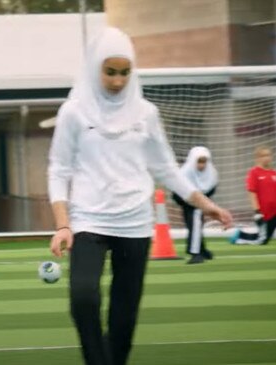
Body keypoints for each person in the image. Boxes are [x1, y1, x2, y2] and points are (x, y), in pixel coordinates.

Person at [47, 27, 233, 365]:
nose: (117, 81)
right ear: (94, 68)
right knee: (83, 299)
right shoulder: (73, 112)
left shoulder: (145, 113)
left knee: (124, 315)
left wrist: (206, 205)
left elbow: (166, 169)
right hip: (89, 220)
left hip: (136, 225)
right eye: (110, 72)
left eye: (124, 72)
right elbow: (58, 169)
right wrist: (63, 225)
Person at [173, 146, 219, 264]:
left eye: (204, 162)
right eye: (199, 162)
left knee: (196, 225)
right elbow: (177, 191)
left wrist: (203, 202)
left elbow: (211, 189)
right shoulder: (185, 172)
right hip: (187, 203)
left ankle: (198, 251)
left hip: (201, 204)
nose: (202, 165)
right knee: (194, 226)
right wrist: (190, 202)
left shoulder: (211, 173)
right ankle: (197, 251)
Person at [230, 146, 276, 245]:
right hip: (263, 212)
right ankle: (240, 235)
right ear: (258, 158)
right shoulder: (254, 173)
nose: (267, 158)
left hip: (274, 211)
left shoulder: (273, 173)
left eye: (268, 155)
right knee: (263, 240)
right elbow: (251, 192)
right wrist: (257, 211)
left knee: (266, 237)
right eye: (264, 155)